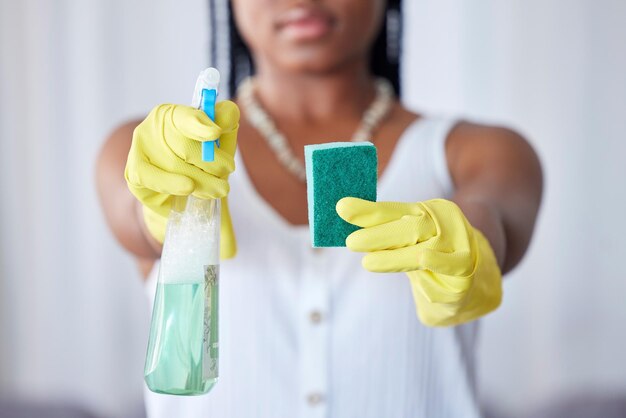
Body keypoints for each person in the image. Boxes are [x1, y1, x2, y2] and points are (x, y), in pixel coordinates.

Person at [96, 0, 542, 416]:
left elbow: (492, 213)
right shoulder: (150, 151)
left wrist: (472, 241)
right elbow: (139, 224)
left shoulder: (481, 150)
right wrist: (170, 212)